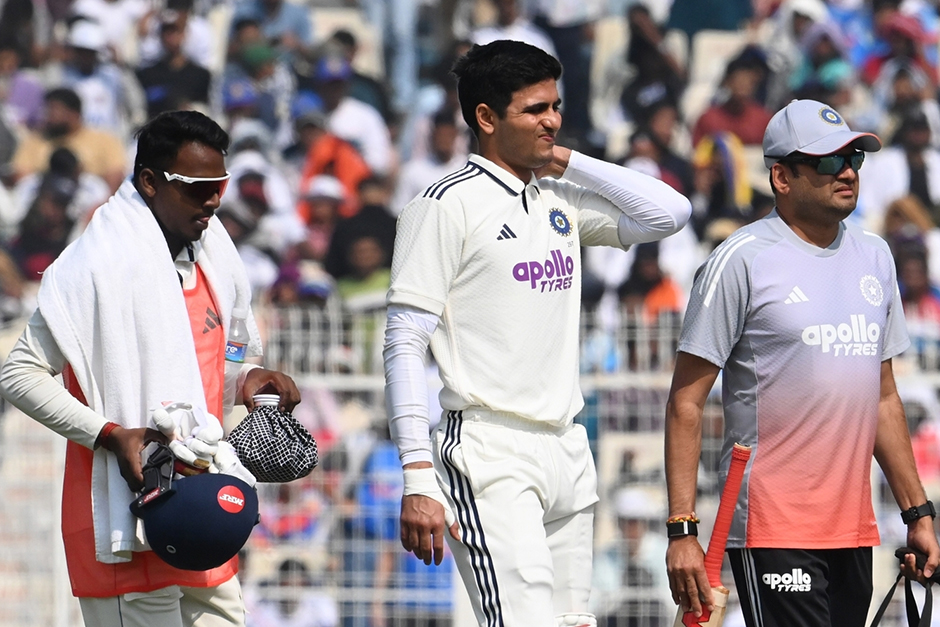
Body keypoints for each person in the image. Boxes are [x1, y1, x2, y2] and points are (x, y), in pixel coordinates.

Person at [383, 40, 691, 626]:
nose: (552, 120)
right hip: (489, 451)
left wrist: (567, 160)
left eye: (556, 106)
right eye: (534, 110)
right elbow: (403, 343)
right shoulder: (445, 205)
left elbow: (670, 213)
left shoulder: (556, 196)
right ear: (486, 117)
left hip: (568, 447)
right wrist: (417, 474)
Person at [0, 110, 301, 627]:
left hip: (204, 514)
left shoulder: (215, 257)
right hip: (126, 521)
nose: (214, 200)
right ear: (149, 182)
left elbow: (205, 375)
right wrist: (111, 434)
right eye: (198, 188)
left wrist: (245, 381)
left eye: (220, 186)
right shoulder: (96, 265)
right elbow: (19, 375)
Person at [664, 98, 940, 627]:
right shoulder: (740, 259)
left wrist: (918, 514)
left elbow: (884, 399)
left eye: (854, 159)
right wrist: (682, 530)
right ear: (781, 177)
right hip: (772, 525)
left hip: (853, 528)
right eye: (829, 161)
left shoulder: (876, 256)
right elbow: (686, 401)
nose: (848, 173)